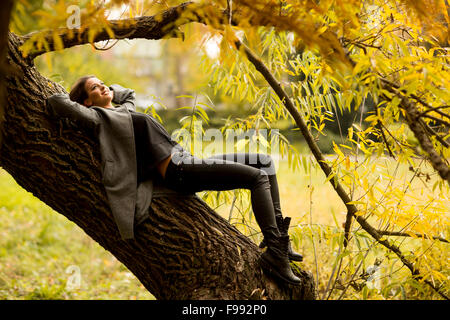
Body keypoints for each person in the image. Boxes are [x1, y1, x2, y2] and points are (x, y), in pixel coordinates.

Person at [47, 75, 303, 285]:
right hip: (179, 171)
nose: (103, 86)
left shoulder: (124, 109)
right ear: (86, 102)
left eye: (103, 83)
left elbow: (128, 93)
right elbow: (57, 102)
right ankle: (275, 252)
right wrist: (84, 103)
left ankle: (281, 239)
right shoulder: (99, 120)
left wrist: (104, 88)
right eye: (95, 87)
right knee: (256, 177)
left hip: (188, 159)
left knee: (265, 162)